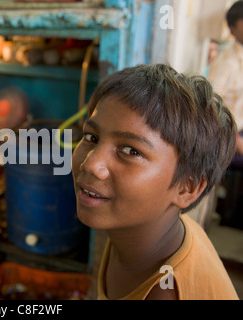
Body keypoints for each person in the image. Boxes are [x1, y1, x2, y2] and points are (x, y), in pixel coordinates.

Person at [71, 64, 239, 300]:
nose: (91, 164)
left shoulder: (166, 292)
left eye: (130, 150)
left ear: (187, 188)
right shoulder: (140, 234)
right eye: (91, 137)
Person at [208, 0, 243, 156]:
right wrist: (236, 141)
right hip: (227, 138)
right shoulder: (226, 61)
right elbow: (212, 108)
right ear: (232, 30)